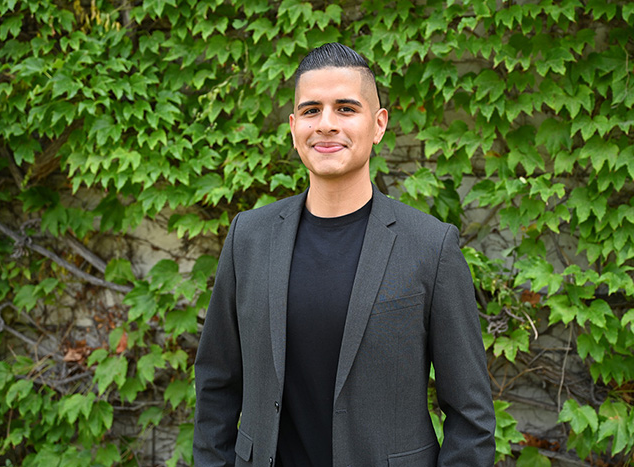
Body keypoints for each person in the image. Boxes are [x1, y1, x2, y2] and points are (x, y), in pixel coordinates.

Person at [194, 42, 496, 467]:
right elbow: (216, 384)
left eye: (346, 108)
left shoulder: (431, 246)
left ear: (378, 124)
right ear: (294, 126)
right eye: (312, 110)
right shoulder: (249, 236)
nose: (327, 124)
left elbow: (471, 415)